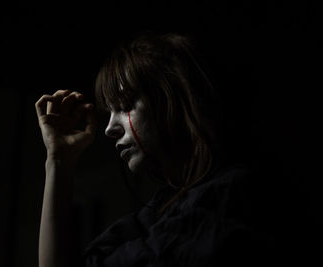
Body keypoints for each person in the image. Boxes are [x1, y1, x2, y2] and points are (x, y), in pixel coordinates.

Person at [35, 32, 283, 267]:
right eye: (109, 112)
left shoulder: (227, 200)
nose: (109, 128)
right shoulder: (162, 209)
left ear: (173, 99)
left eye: (125, 105)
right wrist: (58, 159)